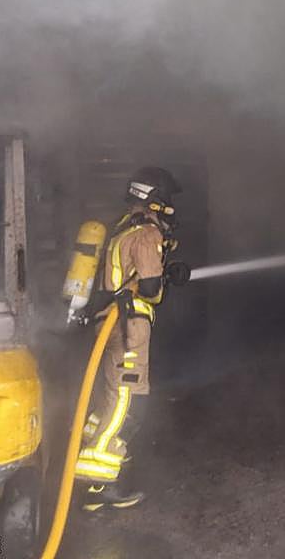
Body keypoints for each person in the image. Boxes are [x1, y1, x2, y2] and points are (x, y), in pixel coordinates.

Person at [74, 166, 189, 510]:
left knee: (109, 402)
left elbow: (130, 276)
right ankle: (98, 484)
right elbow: (150, 290)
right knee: (126, 405)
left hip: (111, 325)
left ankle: (89, 475)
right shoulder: (146, 233)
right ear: (152, 197)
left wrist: (165, 271)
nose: (168, 207)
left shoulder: (122, 228)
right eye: (165, 200)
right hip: (128, 327)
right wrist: (167, 277)